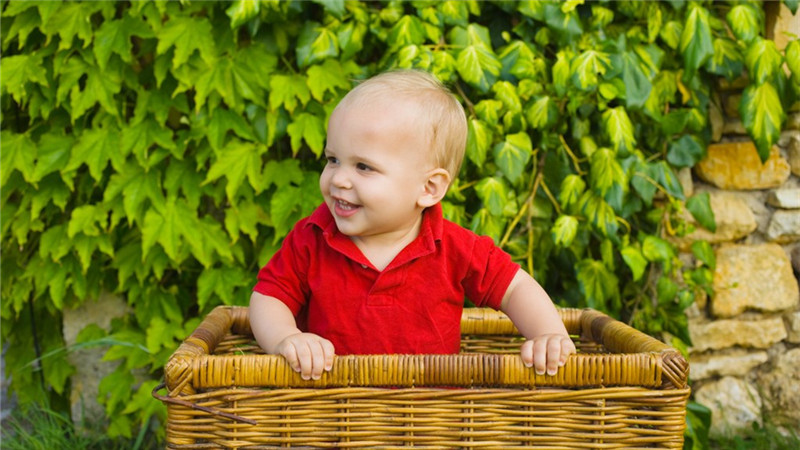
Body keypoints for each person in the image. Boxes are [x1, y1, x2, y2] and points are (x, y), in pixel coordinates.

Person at [249, 69, 575, 381]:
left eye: (363, 167)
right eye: (332, 159)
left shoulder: (453, 247)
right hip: (334, 416)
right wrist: (286, 337)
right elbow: (269, 297)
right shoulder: (312, 238)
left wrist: (549, 335)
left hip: (430, 417)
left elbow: (515, 287)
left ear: (428, 188)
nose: (339, 179)